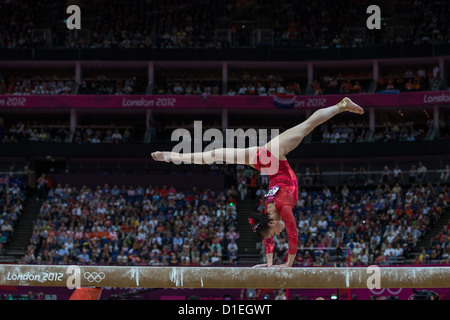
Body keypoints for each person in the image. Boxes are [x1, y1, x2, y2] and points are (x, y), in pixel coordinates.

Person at [152, 97, 364, 269]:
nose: (276, 235)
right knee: (216, 154)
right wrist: (269, 263)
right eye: (273, 235)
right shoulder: (268, 212)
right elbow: (267, 236)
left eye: (274, 232)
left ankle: (341, 105)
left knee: (308, 125)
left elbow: (293, 234)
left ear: (272, 223)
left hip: (273, 155)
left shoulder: (282, 207)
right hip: (263, 162)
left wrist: (288, 264)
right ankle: (172, 156)